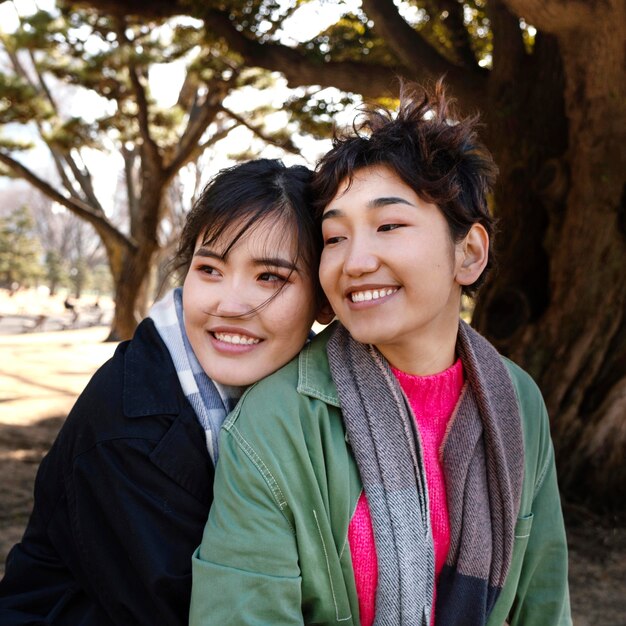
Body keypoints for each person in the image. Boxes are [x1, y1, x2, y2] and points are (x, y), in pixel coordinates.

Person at [190, 83, 572, 625]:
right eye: (335, 237)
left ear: (469, 253)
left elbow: (543, 603)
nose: (356, 261)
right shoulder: (277, 423)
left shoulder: (517, 401)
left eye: (388, 226)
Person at [0, 158, 332, 625]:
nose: (228, 304)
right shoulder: (132, 427)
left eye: (269, 277)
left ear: (322, 299)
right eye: (210, 269)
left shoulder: (319, 400)